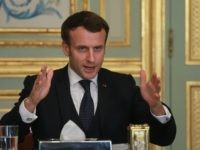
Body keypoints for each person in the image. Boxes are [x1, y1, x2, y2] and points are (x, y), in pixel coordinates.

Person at [0, 10, 176, 148]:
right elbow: (4, 138)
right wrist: (31, 102)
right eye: (82, 49)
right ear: (66, 48)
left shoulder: (123, 86)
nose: (92, 58)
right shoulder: (41, 86)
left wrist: (156, 107)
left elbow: (163, 138)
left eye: (98, 48)